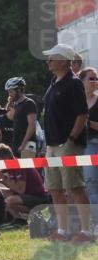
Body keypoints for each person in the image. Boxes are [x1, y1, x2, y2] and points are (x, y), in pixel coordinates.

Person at [41, 44, 92, 243]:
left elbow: (82, 114)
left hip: (67, 143)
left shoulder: (74, 83)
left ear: (63, 60)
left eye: (52, 58)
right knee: (55, 189)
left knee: (74, 187)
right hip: (52, 145)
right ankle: (62, 231)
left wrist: (71, 140)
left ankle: (87, 232)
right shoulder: (54, 81)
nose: (48, 61)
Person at [0, 144, 50, 223]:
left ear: (6, 159)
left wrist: (4, 180)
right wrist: (1, 179)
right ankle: (18, 219)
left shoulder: (20, 165)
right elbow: (15, 188)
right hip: (27, 194)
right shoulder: (11, 165)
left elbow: (20, 190)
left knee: (9, 201)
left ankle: (39, 214)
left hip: (38, 197)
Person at [6, 77, 39, 159]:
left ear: (19, 90)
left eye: (11, 91)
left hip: (27, 144)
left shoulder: (29, 103)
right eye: (8, 92)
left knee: (27, 170)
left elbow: (32, 126)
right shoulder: (16, 105)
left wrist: (23, 144)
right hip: (16, 144)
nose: (9, 94)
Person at [83, 66, 98, 212]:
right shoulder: (76, 102)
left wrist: (88, 123)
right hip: (76, 146)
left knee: (91, 184)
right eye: (91, 78)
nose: (95, 81)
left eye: (96, 78)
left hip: (93, 145)